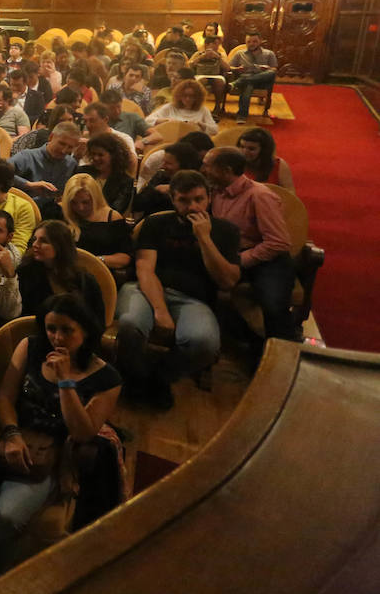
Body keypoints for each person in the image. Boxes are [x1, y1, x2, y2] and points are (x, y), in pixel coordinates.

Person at [0, 294, 121, 585]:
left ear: (86, 331)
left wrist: (66, 381)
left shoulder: (107, 378)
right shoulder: (30, 346)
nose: (57, 338)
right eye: (51, 328)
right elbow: (4, 398)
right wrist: (12, 435)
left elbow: (82, 432)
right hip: (7, 434)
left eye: (67, 330)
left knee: (5, 517)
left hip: (48, 455)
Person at [115, 170, 240, 409]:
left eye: (198, 199)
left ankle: (159, 376)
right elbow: (145, 269)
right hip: (145, 290)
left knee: (204, 343)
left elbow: (227, 281)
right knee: (131, 324)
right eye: (184, 200)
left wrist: (204, 239)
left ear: (209, 198)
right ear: (173, 199)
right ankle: (136, 378)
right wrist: (160, 311)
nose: (192, 206)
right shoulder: (156, 223)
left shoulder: (226, 231)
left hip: (194, 300)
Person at [202, 146, 299, 343]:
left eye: (207, 166)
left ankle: (281, 354)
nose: (203, 169)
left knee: (273, 305)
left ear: (226, 171)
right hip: (233, 254)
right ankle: (241, 342)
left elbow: (278, 243)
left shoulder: (259, 195)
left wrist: (240, 260)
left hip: (267, 259)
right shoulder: (215, 191)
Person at [19, 220, 105, 321]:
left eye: (44, 241)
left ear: (60, 246)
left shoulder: (84, 279)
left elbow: (97, 320)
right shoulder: (26, 273)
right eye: (35, 239)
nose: (35, 244)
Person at [59, 173, 132, 275]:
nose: (80, 208)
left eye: (85, 202)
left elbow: (125, 257)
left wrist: (95, 261)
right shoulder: (61, 213)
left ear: (95, 198)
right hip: (66, 271)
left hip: (99, 272)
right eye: (74, 202)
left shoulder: (112, 217)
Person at [8, 121, 80, 216]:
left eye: (70, 147)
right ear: (51, 137)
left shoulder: (71, 164)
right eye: (62, 144)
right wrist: (28, 184)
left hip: (53, 214)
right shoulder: (27, 156)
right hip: (21, 210)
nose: (64, 150)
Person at [74, 133, 134, 214]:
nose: (95, 158)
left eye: (100, 155)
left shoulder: (125, 181)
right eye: (93, 154)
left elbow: (116, 210)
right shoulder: (81, 172)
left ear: (113, 156)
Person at [227, 30, 278, 123]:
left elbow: (274, 69)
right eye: (249, 42)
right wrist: (237, 69)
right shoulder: (239, 53)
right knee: (248, 85)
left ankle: (238, 82)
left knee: (271, 73)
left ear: (260, 41)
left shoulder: (269, 53)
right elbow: (229, 67)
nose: (251, 44)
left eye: (254, 41)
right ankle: (242, 116)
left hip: (262, 80)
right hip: (247, 77)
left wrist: (267, 68)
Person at [147, 79, 218, 136]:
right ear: (179, 95)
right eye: (185, 96)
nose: (188, 99)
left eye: (192, 96)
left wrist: (200, 125)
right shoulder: (170, 107)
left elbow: (214, 130)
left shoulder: (202, 110)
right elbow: (148, 121)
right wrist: (168, 121)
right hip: (170, 140)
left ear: (197, 97)